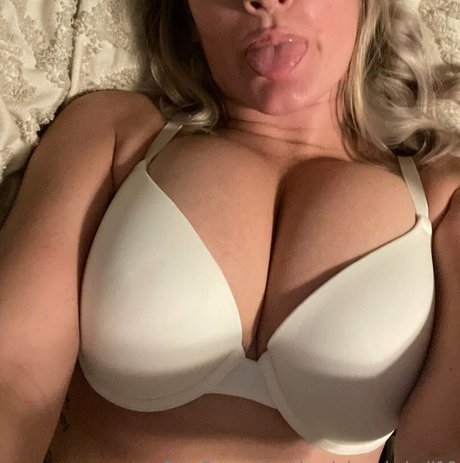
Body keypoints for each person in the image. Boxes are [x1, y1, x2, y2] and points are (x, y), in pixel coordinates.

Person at [1, 0, 459, 462]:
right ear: (190, 19)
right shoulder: (114, 133)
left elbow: (440, 443)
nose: (263, 1)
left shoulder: (445, 200)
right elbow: (15, 374)